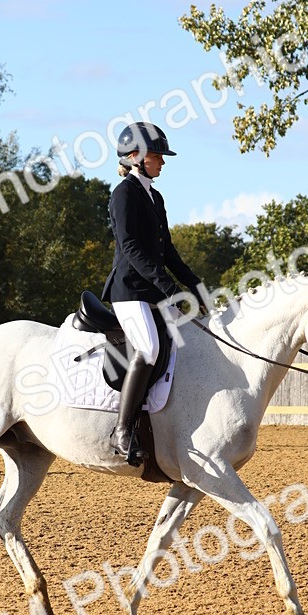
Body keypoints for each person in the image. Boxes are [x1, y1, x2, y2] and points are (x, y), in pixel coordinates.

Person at [102, 121, 205, 465]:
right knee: (148, 347)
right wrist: (168, 287)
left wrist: (194, 284)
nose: (163, 161)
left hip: (152, 290)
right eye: (157, 155)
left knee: (186, 341)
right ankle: (122, 430)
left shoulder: (155, 196)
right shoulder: (124, 194)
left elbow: (168, 251)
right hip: (130, 291)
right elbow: (131, 247)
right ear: (136, 157)